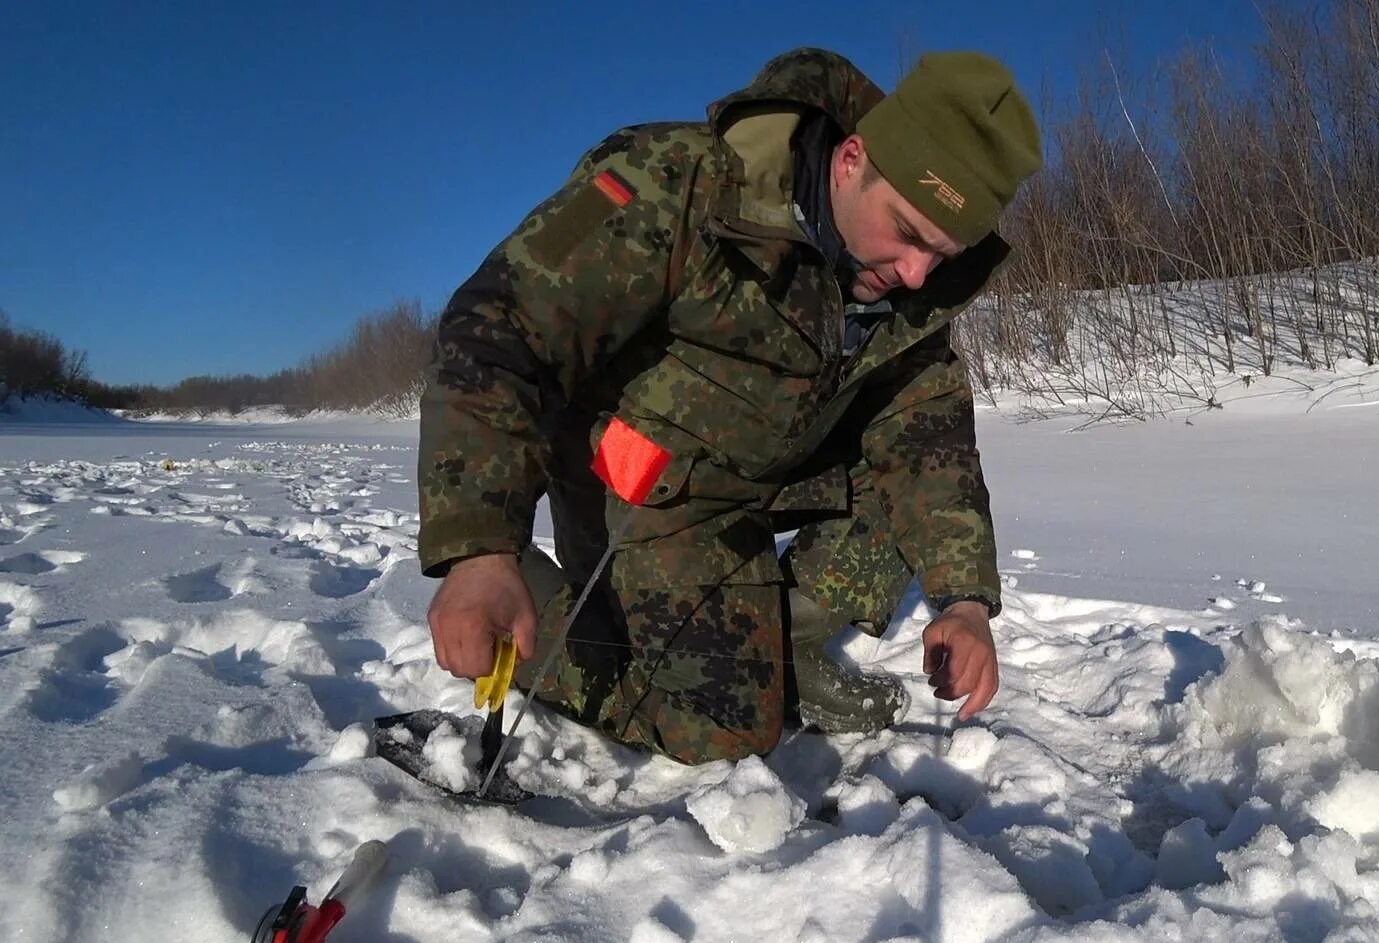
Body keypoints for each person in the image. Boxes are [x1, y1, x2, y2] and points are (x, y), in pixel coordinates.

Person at [415, 48, 1042, 764]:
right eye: (907, 232)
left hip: (761, 468)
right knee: (726, 735)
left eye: (943, 253)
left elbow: (928, 436)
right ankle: (523, 598)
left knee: (897, 496)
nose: (916, 273)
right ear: (852, 159)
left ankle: (777, 654)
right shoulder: (678, 183)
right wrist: (477, 549)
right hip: (645, 486)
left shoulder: (907, 284)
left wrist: (963, 601)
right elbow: (498, 326)